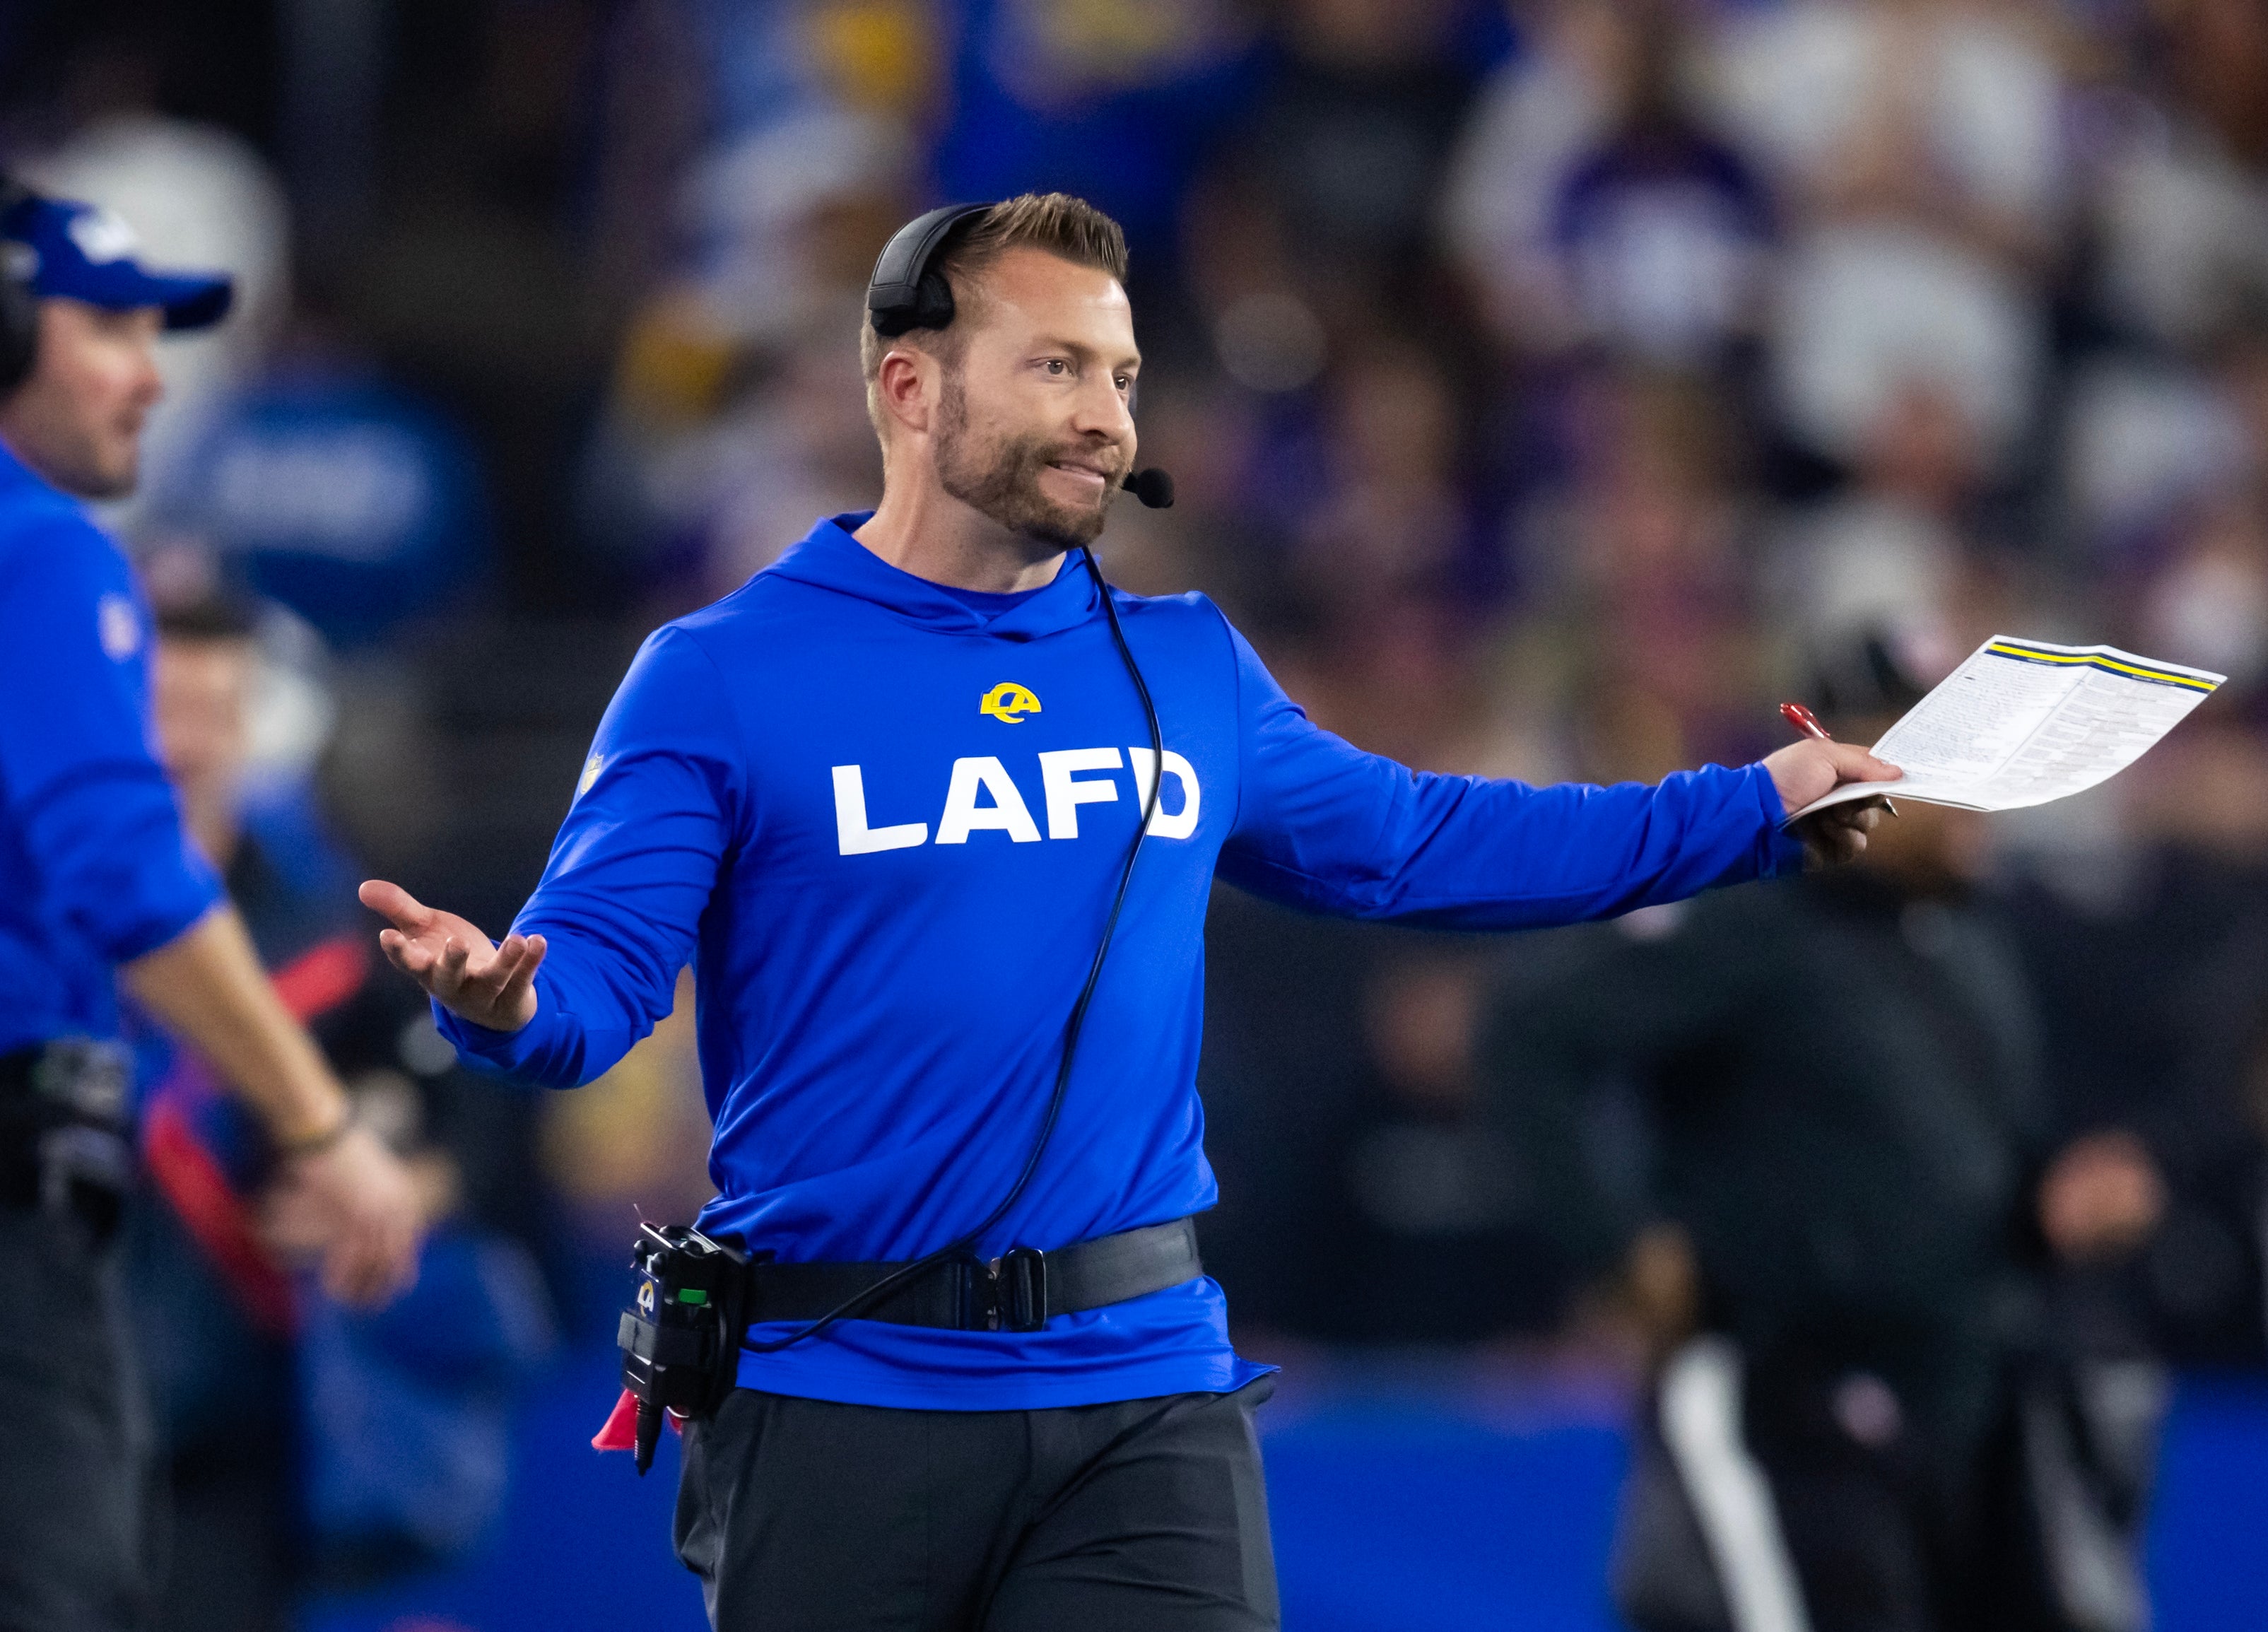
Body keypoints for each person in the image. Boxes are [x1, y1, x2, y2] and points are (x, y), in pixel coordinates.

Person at [361, 193, 1895, 1631]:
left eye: (1124, 372)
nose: (1107, 414)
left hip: (1142, 1384)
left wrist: (1752, 810)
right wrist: (500, 1002)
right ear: (908, 389)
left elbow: (1421, 842)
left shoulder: (1184, 663)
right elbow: (597, 980)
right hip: (841, 1397)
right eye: (1055, 367)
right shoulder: (719, 673)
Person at [1476, 647, 2168, 1632]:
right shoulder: (1748, 924)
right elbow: (1532, 1039)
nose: (1971, 794)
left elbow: (1953, 1159)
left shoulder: (1962, 936)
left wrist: (2048, 1207)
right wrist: (1616, 1246)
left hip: (1966, 1385)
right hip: (1788, 1391)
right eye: (1939, 762)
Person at [0, 180, 423, 1632]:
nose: (147, 372)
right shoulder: (40, 546)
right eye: (108, 323)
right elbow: (123, 868)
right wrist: (319, 1128)